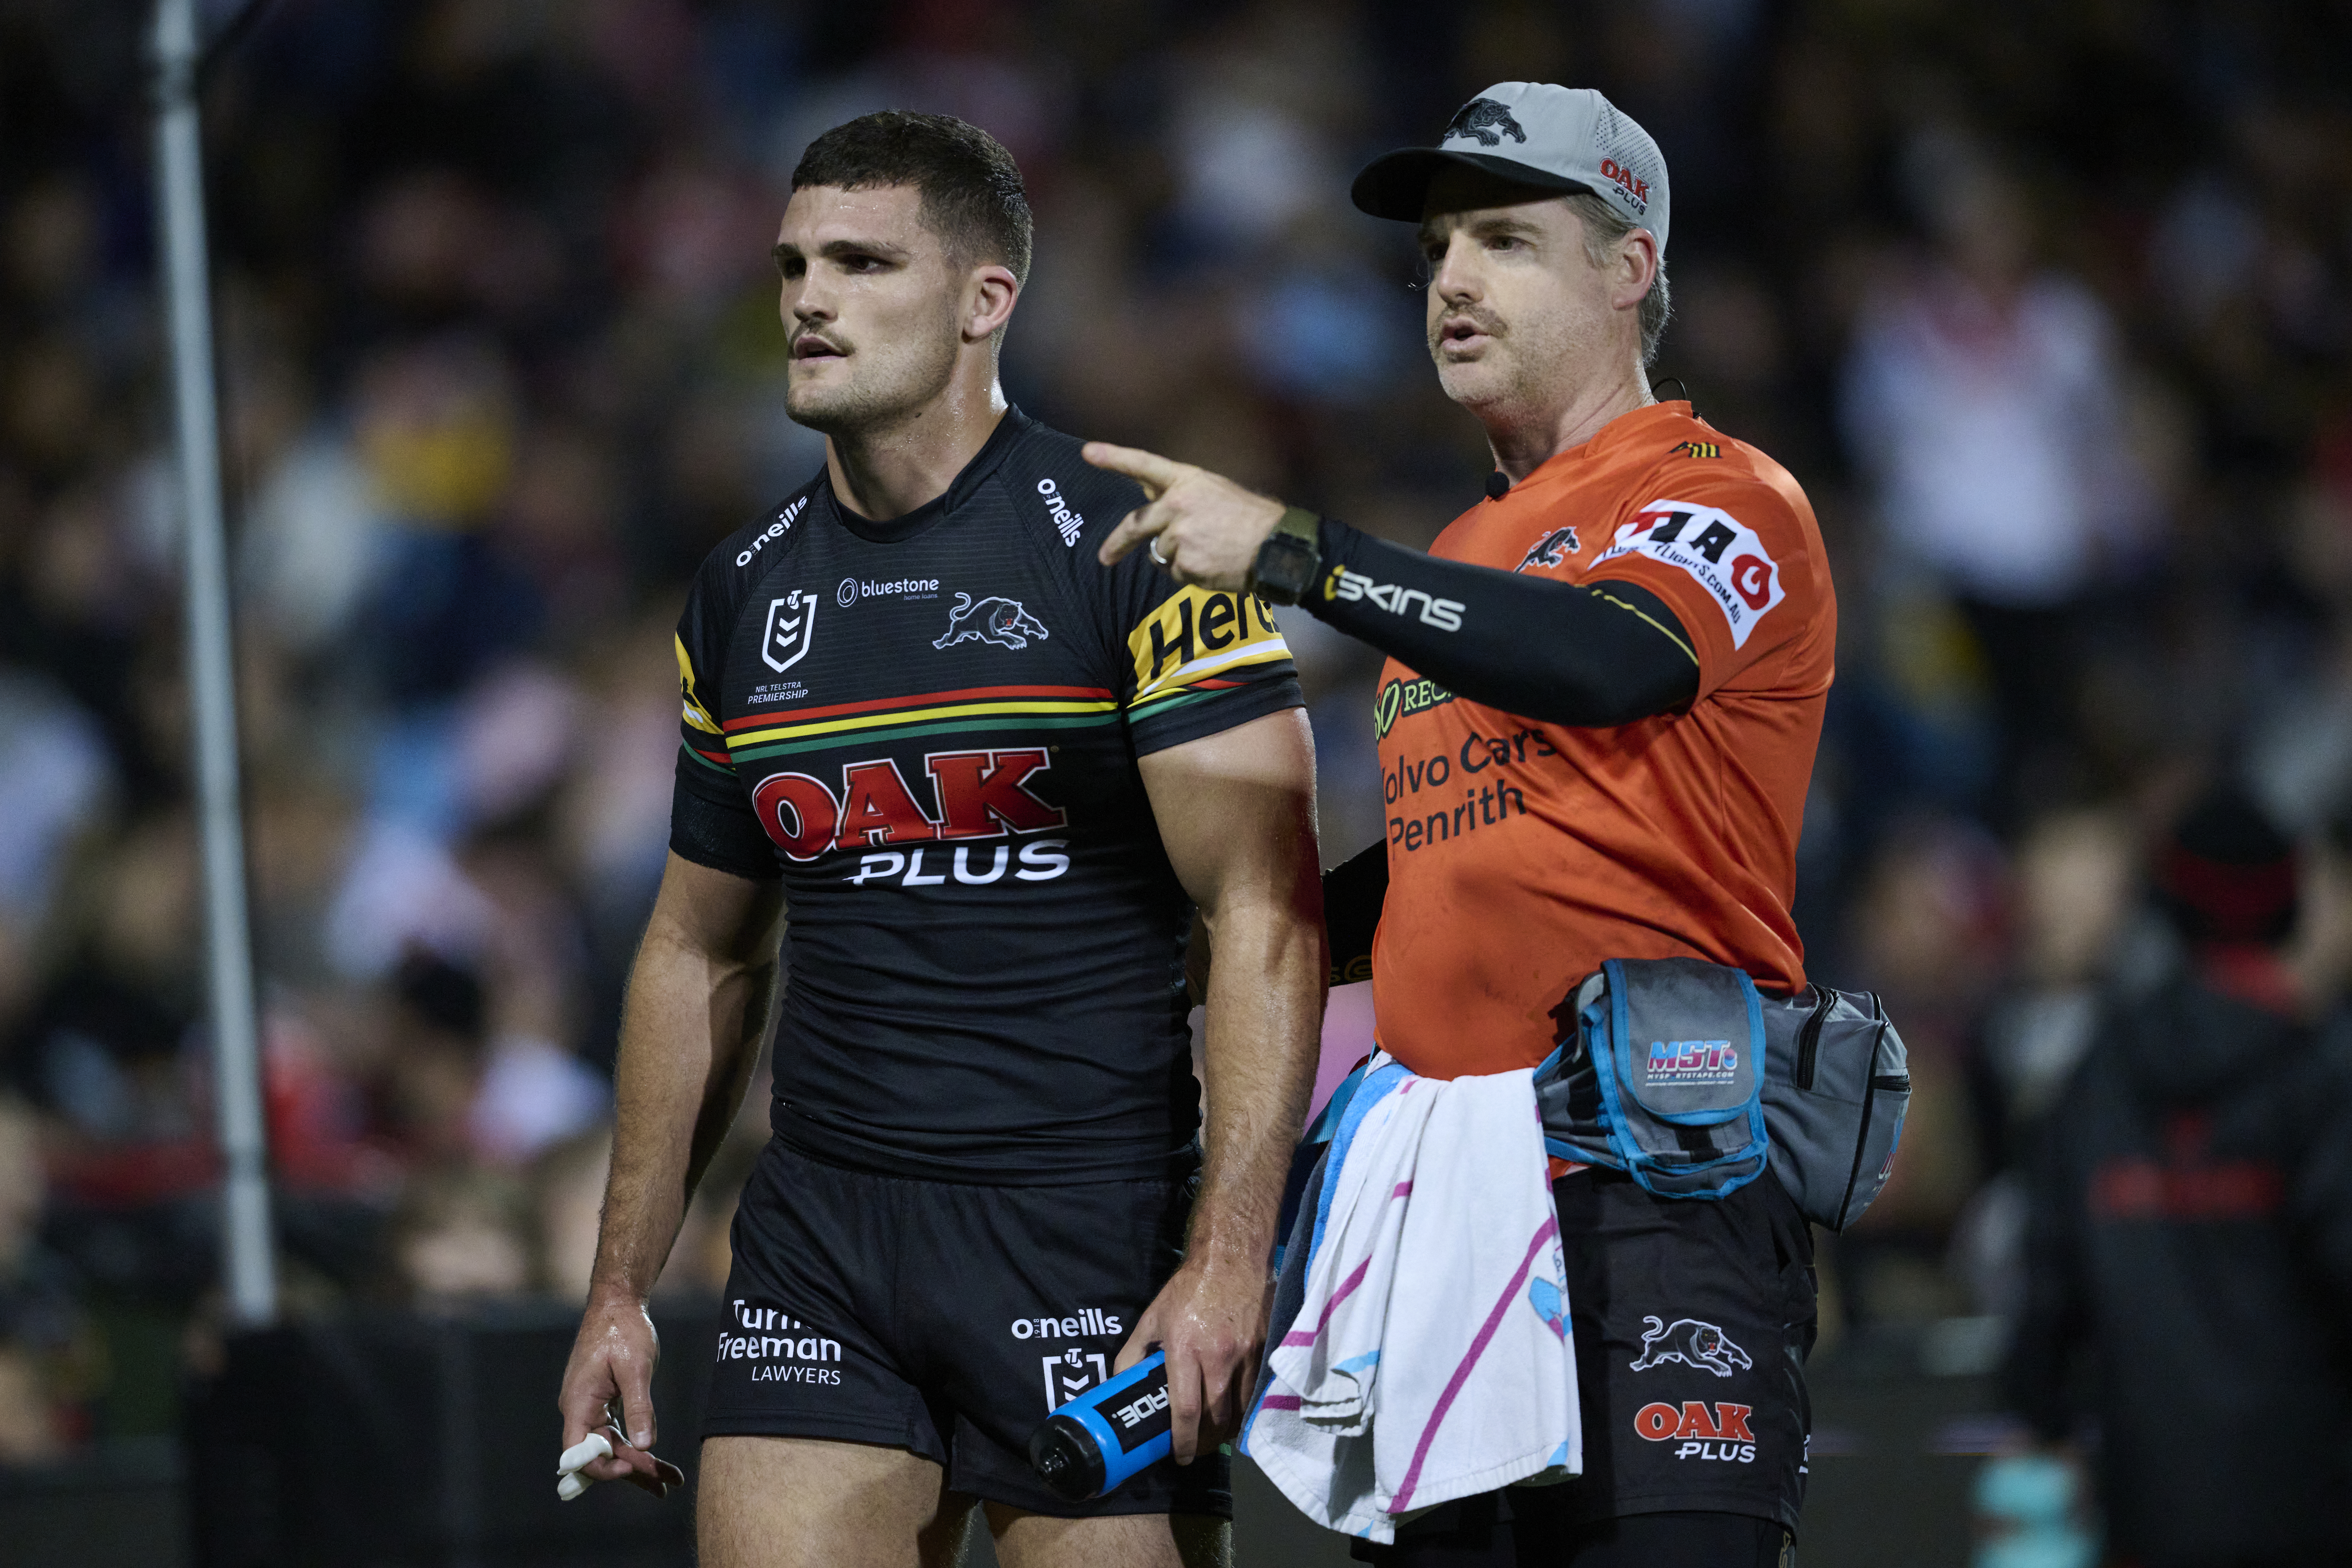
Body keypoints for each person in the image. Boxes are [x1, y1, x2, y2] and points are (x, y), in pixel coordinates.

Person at [554, 112, 1326, 1568]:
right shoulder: (741, 592)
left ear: (986, 301)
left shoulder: (1144, 546)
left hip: (1087, 1236)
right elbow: (699, 951)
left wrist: (1230, 1256)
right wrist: (618, 1289)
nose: (808, 299)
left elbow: (1263, 915)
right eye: (793, 265)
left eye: (861, 263)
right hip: (823, 1249)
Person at [1088, 82, 1833, 1565]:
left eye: (1504, 240)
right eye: (1436, 249)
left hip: (1653, 1189)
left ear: (1627, 268)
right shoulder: (1463, 552)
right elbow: (1451, 855)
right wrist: (1178, 941)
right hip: (1449, 1204)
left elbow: (1612, 660)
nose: (1450, 280)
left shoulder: (1722, 492)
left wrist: (1300, 555)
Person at [2004, 785, 2352, 1568]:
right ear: (2289, 904)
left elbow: (2047, 1286)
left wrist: (2043, 1411)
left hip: (2149, 1507)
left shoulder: (2098, 1078)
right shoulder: (2319, 1074)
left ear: (2166, 905)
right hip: (2311, 1506)